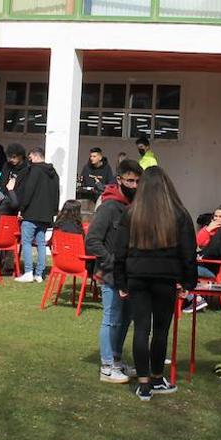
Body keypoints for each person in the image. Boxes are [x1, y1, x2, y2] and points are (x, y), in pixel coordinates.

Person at [110, 166, 196, 401]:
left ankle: (145, 383)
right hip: (166, 278)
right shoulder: (179, 213)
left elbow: (120, 251)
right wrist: (189, 281)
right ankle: (157, 377)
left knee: (141, 329)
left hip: (137, 276)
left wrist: (121, 281)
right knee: (160, 330)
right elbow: (188, 251)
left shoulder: (132, 213)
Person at [85, 160, 142, 385]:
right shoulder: (108, 207)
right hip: (110, 274)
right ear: (119, 179)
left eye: (138, 181)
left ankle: (116, 361)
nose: (135, 185)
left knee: (126, 318)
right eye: (130, 180)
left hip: (130, 274)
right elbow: (92, 241)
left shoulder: (135, 205)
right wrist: (111, 262)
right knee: (111, 319)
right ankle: (107, 365)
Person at [15, 147, 59, 283]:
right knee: (41, 243)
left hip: (31, 213)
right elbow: (56, 194)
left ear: (34, 156)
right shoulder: (54, 173)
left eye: (30, 158)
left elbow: (28, 191)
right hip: (46, 215)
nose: (29, 160)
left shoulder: (34, 170)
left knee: (26, 242)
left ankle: (28, 272)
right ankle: (39, 274)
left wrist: (22, 208)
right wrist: (53, 212)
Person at [0, 143, 29, 215]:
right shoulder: (7, 165)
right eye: (9, 157)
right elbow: (2, 180)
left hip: (19, 200)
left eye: (14, 157)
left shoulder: (27, 168)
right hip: (5, 199)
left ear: (21, 156)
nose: (11, 159)